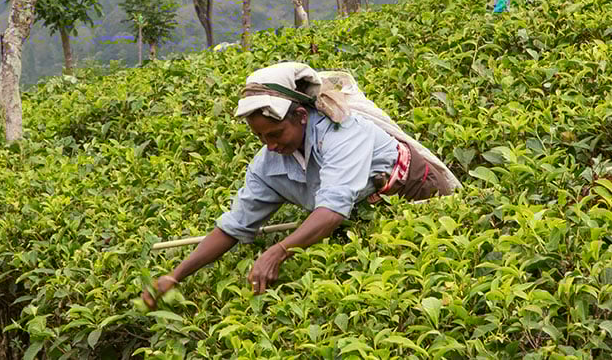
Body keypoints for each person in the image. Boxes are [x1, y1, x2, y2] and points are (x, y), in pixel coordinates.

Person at [142, 62, 456, 305]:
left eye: (276, 134)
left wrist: (278, 251)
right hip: (364, 213)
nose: (269, 145)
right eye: (260, 137)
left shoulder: (342, 133)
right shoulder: (268, 164)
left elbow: (331, 210)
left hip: (415, 189)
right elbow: (234, 226)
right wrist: (175, 275)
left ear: (302, 117)